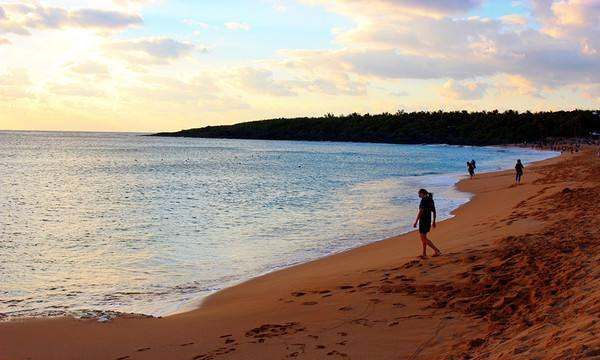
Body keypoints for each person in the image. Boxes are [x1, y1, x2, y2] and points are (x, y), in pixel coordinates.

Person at [413, 189, 441, 259]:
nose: (419, 195)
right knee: (423, 238)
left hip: (423, 220)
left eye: (419, 194)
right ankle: (424, 254)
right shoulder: (430, 199)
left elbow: (421, 211)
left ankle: (437, 250)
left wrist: (416, 221)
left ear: (422, 193)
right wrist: (434, 221)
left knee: (423, 238)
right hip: (428, 220)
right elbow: (434, 211)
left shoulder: (424, 200)